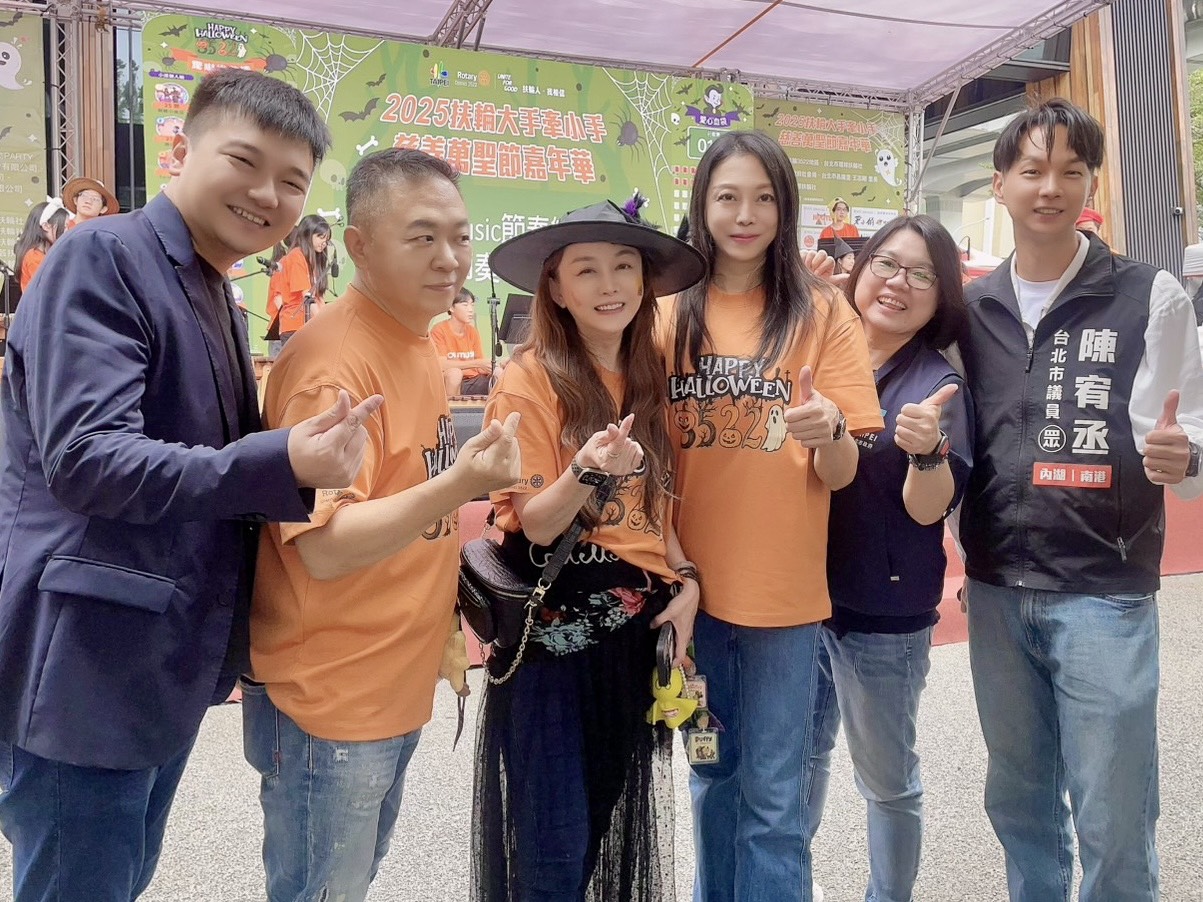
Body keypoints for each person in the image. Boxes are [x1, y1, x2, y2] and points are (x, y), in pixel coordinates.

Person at [0, 67, 380, 900]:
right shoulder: (104, 257)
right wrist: (281, 462)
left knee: (115, 877)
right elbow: (89, 458)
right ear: (181, 148)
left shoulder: (211, 290)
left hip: (150, 660)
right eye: (244, 161)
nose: (267, 194)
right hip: (84, 663)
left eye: (292, 181)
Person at [244, 148, 523, 902]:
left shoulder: (412, 336)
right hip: (332, 695)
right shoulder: (334, 366)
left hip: (386, 682)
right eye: (422, 237)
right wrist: (460, 484)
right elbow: (325, 549)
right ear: (359, 245)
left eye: (459, 237)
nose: (449, 258)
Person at [961, 97, 1203, 902]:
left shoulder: (1148, 296)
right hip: (996, 589)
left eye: (1070, 171)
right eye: (1031, 170)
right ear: (999, 183)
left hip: (1105, 590)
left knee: (1112, 810)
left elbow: (1192, 429)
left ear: (1090, 183)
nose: (1049, 188)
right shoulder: (972, 309)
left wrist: (1184, 455)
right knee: (1018, 801)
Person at [665, 130, 883, 902]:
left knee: (773, 802)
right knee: (709, 779)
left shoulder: (822, 311)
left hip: (784, 604)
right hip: (687, 599)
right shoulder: (664, 311)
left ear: (785, 209)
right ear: (701, 205)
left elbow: (843, 470)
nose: (744, 215)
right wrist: (673, 575)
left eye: (762, 198)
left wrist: (828, 432)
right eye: (727, 197)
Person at [472, 197, 705, 901]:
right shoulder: (529, 379)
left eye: (624, 267)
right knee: (552, 846)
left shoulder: (651, 377)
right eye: (586, 270)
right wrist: (587, 470)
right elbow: (536, 525)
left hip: (630, 636)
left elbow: (658, 508)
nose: (609, 286)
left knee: (599, 823)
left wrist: (687, 580)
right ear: (555, 287)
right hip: (551, 643)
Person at [805, 214, 973, 902]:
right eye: (887, 264)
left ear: (940, 296)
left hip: (881, 613)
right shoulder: (818, 352)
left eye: (922, 275)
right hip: (797, 600)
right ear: (860, 267)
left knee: (886, 781)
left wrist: (927, 450)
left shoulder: (937, 384)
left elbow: (929, 509)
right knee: (798, 762)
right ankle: (786, 882)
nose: (899, 284)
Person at [268, 212, 331, 347]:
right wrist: (324, 324)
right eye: (320, 237)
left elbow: (319, 298)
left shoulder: (313, 261)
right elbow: (307, 297)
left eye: (326, 239)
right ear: (308, 235)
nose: (324, 243)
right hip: (295, 327)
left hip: (310, 326)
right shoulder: (296, 257)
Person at [430, 287, 498, 396]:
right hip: (450, 380)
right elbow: (441, 365)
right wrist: (476, 363)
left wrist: (492, 366)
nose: (470, 310)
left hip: (474, 380)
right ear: (451, 307)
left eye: (472, 305)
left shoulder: (472, 331)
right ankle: (451, 407)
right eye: (465, 305)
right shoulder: (439, 330)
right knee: (455, 373)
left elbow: (479, 366)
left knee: (498, 372)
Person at [14, 198, 70, 292]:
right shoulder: (34, 257)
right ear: (46, 226)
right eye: (64, 226)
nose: (67, 231)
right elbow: (50, 289)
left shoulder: (42, 255)